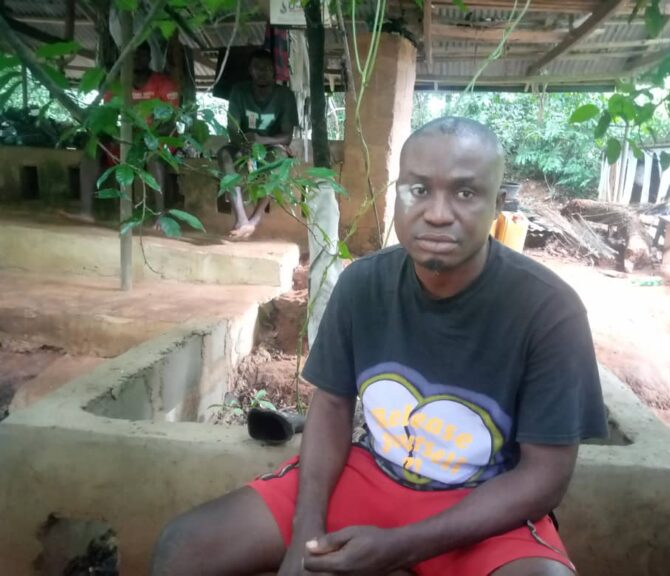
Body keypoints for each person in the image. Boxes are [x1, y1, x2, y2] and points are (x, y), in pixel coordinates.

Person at [151, 117, 607, 576]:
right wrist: (306, 536)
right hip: (371, 474)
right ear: (398, 195)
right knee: (186, 546)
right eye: (419, 190)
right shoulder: (363, 285)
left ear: (497, 206)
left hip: (482, 505)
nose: (438, 213)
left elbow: (545, 476)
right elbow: (331, 407)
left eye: (466, 193)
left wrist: (401, 547)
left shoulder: (549, 311)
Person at [66, 43, 180, 223]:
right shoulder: (116, 84)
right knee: (93, 147)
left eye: (141, 55)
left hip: (159, 137)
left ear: (149, 58)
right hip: (128, 138)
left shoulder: (164, 83)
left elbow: (170, 121)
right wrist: (116, 135)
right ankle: (86, 211)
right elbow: (108, 118)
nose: (136, 59)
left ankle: (161, 215)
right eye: (132, 55)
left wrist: (147, 137)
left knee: (154, 155)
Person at [218, 50, 299, 239]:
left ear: (274, 71)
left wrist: (262, 141)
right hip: (243, 144)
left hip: (271, 146)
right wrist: (243, 144)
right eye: (257, 68)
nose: (262, 72)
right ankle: (241, 219)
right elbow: (232, 128)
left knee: (280, 160)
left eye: (266, 68)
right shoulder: (239, 91)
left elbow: (287, 137)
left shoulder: (285, 95)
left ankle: (254, 219)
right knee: (224, 154)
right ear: (250, 70)